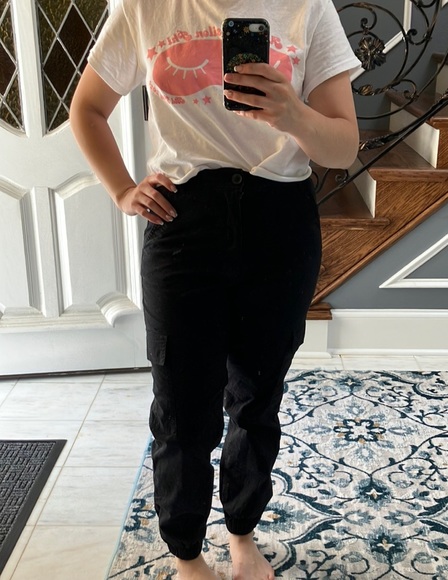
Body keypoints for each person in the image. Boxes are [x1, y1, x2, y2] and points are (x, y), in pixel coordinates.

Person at [70, 1, 360, 578]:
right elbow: (88, 108)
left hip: (279, 223)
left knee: (256, 399)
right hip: (183, 221)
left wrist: (293, 114)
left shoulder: (308, 7)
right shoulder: (146, 6)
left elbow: (343, 148)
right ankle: (186, 554)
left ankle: (242, 533)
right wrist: (122, 190)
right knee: (181, 406)